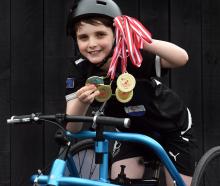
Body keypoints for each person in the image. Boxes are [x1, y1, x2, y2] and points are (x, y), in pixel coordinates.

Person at [65, 0, 196, 185]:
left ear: (116, 35)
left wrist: (140, 41)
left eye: (100, 34)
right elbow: (72, 127)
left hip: (172, 129)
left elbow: (182, 58)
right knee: (121, 181)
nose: (92, 44)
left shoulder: (132, 56)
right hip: (131, 133)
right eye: (83, 37)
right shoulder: (79, 68)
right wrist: (82, 102)